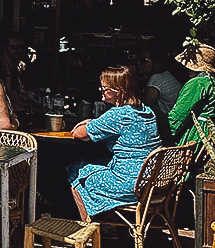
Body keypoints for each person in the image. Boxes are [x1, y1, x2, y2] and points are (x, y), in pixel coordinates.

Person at [68, 65, 162, 220]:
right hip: (151, 181)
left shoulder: (117, 115)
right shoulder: (147, 111)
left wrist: (90, 122)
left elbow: (79, 134)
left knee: (77, 172)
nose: (101, 91)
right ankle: (110, 225)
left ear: (117, 90)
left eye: (104, 88)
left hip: (130, 184)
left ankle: (91, 232)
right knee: (99, 164)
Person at [167, 43, 215, 146]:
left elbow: (178, 118)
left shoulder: (197, 84)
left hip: (194, 138)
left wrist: (161, 131)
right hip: (209, 136)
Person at [138, 46, 183, 119]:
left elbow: (145, 105)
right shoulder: (167, 76)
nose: (138, 63)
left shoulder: (156, 78)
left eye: (143, 61)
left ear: (157, 65)